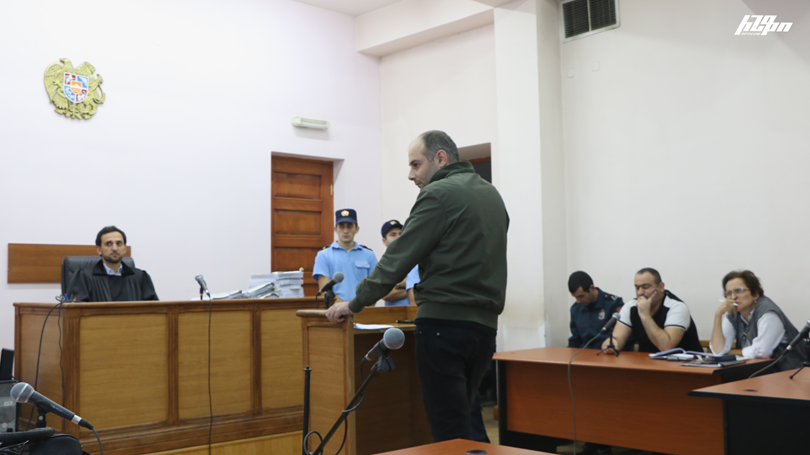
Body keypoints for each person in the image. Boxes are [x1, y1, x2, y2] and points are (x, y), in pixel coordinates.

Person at [325, 130, 509, 442]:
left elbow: (397, 259)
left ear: (441, 158)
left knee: (449, 432)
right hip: (484, 330)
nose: (411, 175)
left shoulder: (438, 194)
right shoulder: (491, 195)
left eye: (416, 164)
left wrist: (354, 303)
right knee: (467, 423)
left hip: (443, 326)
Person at [710, 270, 807, 372]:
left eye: (738, 290)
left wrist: (730, 352)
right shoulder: (734, 313)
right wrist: (718, 315)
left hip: (788, 373)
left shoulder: (768, 311)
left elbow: (762, 352)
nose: (733, 297)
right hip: (758, 372)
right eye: (728, 293)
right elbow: (718, 352)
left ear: (755, 294)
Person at [601, 267, 702, 354]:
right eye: (637, 288)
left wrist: (645, 315)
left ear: (661, 287)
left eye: (645, 287)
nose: (640, 293)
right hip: (648, 363)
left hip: (686, 365)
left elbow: (666, 347)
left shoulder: (676, 307)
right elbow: (618, 338)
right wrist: (612, 343)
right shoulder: (630, 307)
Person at [67, 226, 158, 302]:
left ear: (125, 249)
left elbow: (155, 310)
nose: (114, 248)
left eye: (119, 243)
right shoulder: (83, 277)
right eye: (109, 244)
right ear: (99, 250)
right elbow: (74, 311)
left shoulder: (140, 277)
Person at [312, 209, 378, 302]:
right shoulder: (323, 255)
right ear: (335, 229)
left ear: (357, 229)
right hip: (336, 309)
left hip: (364, 308)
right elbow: (325, 291)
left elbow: (375, 288)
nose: (346, 231)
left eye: (349, 226)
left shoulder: (369, 255)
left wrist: (359, 307)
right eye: (341, 226)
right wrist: (347, 307)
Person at [567, 271, 624, 349]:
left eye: (581, 296)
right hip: (583, 354)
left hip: (608, 352)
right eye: (575, 297)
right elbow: (575, 341)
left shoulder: (614, 304)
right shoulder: (576, 309)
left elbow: (624, 336)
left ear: (592, 288)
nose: (578, 301)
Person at [380, 220, 409, 306]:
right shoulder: (383, 265)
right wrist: (412, 288)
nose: (398, 237)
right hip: (394, 312)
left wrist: (397, 285)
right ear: (384, 241)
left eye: (401, 233)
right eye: (393, 234)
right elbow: (385, 294)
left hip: (415, 311)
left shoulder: (416, 259)